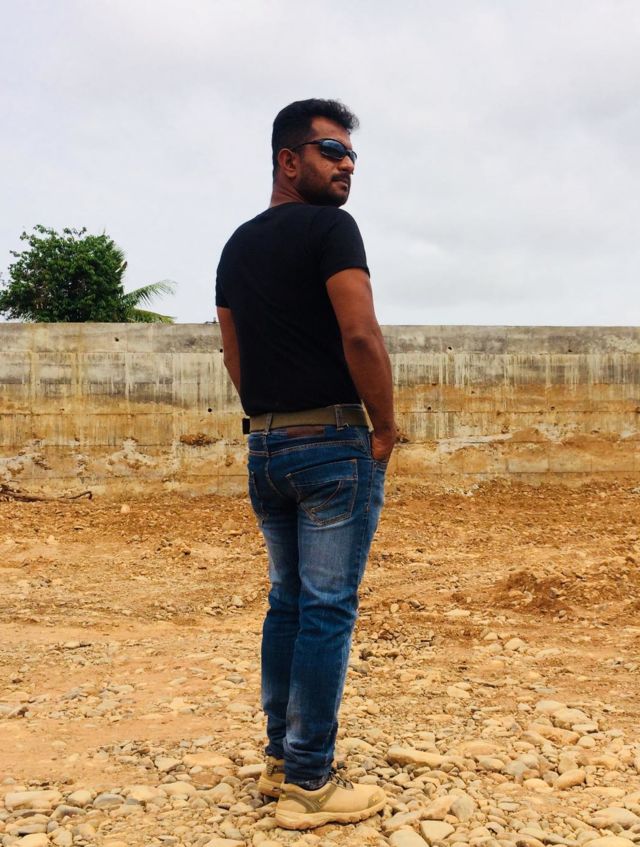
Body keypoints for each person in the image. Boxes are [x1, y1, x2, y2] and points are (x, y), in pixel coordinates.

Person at [215, 98, 395, 830]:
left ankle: (280, 760)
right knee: (325, 609)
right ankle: (311, 782)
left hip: (266, 446)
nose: (347, 163)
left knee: (287, 603)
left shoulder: (236, 246)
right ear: (289, 161)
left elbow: (233, 352)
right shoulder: (331, 229)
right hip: (331, 444)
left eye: (351, 153)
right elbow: (361, 334)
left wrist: (269, 420)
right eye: (331, 150)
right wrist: (385, 426)